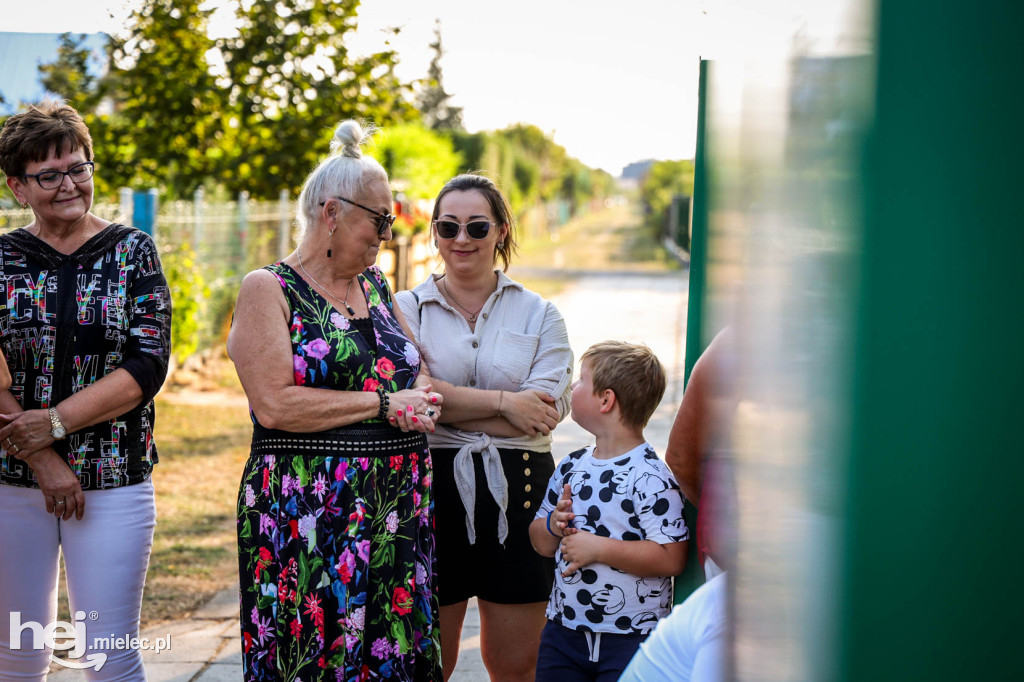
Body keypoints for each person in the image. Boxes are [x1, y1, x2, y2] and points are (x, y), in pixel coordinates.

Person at [228, 120, 442, 681]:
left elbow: (412, 365)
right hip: (310, 514)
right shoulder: (267, 289)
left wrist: (420, 393)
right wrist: (382, 405)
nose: (387, 236)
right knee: (314, 655)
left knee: (389, 656)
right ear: (332, 212)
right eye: (379, 220)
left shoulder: (374, 283)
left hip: (395, 508)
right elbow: (275, 404)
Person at [0, 101, 172, 679]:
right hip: (11, 481)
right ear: (18, 187)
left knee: (108, 653)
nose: (69, 184)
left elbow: (147, 365)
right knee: (18, 653)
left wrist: (53, 424)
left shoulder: (133, 251)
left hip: (114, 479)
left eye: (79, 167)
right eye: (49, 175)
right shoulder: (0, 259)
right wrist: (44, 458)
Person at [395, 173, 573, 681]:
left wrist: (451, 402)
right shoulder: (406, 308)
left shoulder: (541, 314)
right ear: (433, 231)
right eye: (448, 226)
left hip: (522, 493)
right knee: (431, 662)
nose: (461, 240)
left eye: (476, 227)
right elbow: (417, 401)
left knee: (516, 665)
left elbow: (544, 409)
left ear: (501, 230)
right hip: (431, 491)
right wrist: (504, 404)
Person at [529, 341, 688, 682]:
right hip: (564, 632)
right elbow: (540, 541)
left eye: (582, 380)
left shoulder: (650, 477)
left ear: (606, 400)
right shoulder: (572, 466)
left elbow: (672, 557)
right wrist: (553, 526)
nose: (573, 386)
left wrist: (597, 548)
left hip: (631, 638)